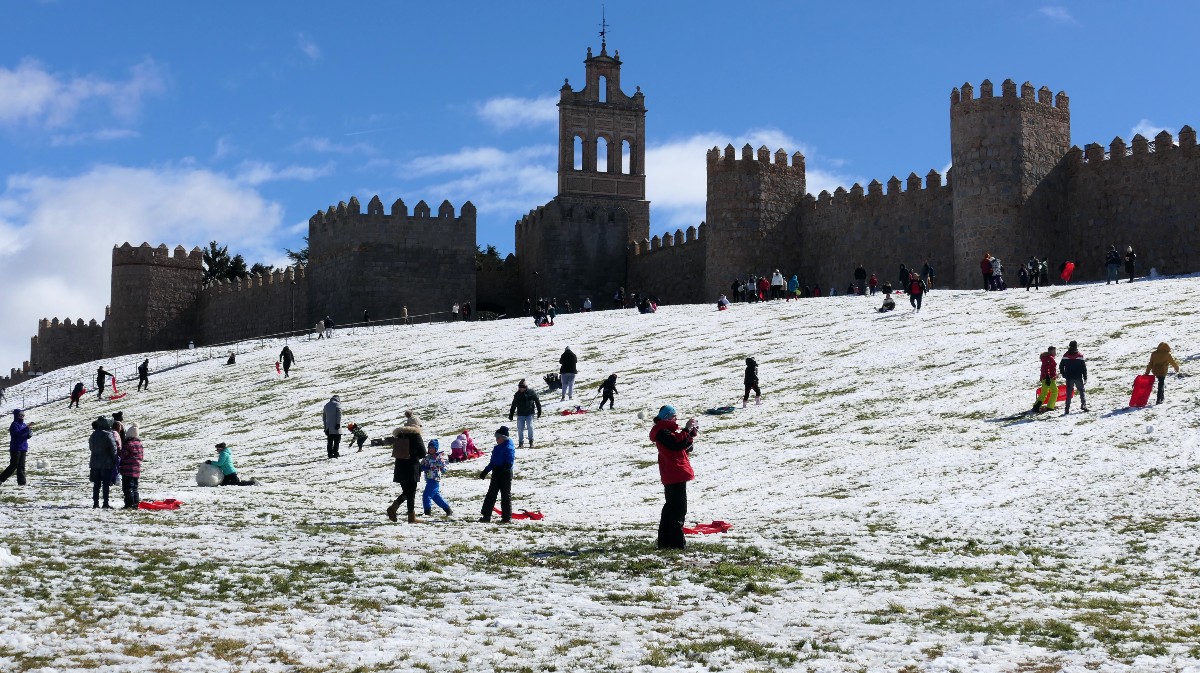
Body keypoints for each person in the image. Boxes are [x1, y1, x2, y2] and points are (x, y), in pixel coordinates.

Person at [650, 405, 698, 549]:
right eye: (673, 416)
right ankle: (676, 544)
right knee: (678, 509)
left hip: (673, 473)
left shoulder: (664, 431)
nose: (676, 419)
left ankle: (665, 542)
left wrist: (690, 433)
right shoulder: (663, 432)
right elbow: (676, 444)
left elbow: (682, 444)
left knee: (670, 508)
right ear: (667, 417)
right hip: (674, 473)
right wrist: (685, 429)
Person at [386, 416, 425, 522]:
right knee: (410, 493)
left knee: (407, 492)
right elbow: (423, 452)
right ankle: (408, 516)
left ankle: (397, 510)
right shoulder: (416, 436)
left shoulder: (400, 435)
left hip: (400, 468)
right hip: (412, 468)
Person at [478, 426, 516, 523]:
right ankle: (486, 516)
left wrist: (502, 470)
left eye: (498, 438)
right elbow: (493, 462)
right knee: (491, 494)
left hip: (505, 474)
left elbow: (509, 463)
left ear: (503, 438)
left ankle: (506, 518)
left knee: (505, 496)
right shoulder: (497, 448)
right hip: (496, 473)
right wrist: (485, 471)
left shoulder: (509, 447)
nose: (496, 439)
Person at [89, 416, 118, 508]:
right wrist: (115, 460)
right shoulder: (108, 434)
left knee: (96, 484)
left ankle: (95, 503)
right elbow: (113, 449)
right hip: (106, 463)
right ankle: (105, 503)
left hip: (95, 462)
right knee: (105, 484)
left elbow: (91, 447)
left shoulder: (93, 435)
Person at [420, 439, 452, 517]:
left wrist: (440, 463)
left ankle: (427, 512)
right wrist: (423, 467)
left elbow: (445, 467)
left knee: (426, 495)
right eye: (429, 447)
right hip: (429, 479)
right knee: (435, 496)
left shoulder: (439, 457)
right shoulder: (427, 457)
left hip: (434, 479)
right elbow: (421, 465)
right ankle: (448, 510)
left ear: (436, 449)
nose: (430, 449)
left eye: (432, 447)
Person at [1, 409, 31, 487]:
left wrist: (29, 435)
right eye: (20, 415)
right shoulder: (14, 425)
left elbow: (24, 435)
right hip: (15, 448)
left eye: (23, 415)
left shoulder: (24, 425)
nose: (21, 417)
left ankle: (22, 483)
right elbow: (17, 435)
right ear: (16, 416)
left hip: (23, 447)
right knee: (13, 465)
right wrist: (26, 429)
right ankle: (1, 479)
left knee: (21, 466)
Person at [508, 379, 542, 448]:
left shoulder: (531, 392)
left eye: (522, 387)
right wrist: (511, 414)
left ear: (525, 387)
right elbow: (513, 404)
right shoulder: (517, 395)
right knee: (520, 428)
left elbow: (537, 401)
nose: (520, 388)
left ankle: (531, 441)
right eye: (519, 387)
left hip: (530, 413)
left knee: (530, 426)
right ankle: (521, 443)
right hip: (520, 414)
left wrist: (539, 410)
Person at [118, 423, 143, 508]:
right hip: (136, 469)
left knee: (127, 488)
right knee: (135, 488)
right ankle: (136, 503)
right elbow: (141, 456)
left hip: (127, 470)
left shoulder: (128, 444)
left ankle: (129, 504)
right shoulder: (139, 444)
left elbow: (122, 455)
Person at [1059, 341, 1089, 415]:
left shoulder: (1065, 355)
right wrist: (1085, 377)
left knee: (1069, 393)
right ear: (1076, 346)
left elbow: (1061, 366)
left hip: (1069, 377)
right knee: (1081, 390)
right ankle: (1083, 405)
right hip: (1078, 377)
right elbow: (1083, 368)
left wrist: (1063, 374)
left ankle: (1067, 409)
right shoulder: (1080, 356)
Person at [1033, 346, 1059, 413]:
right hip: (1049, 378)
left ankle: (1036, 406)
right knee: (1054, 391)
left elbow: (1045, 368)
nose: (1055, 353)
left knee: (1044, 393)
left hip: (1045, 377)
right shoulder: (1050, 358)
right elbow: (1046, 368)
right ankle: (1050, 407)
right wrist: (1048, 377)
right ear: (1051, 351)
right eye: (1054, 351)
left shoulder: (1045, 358)